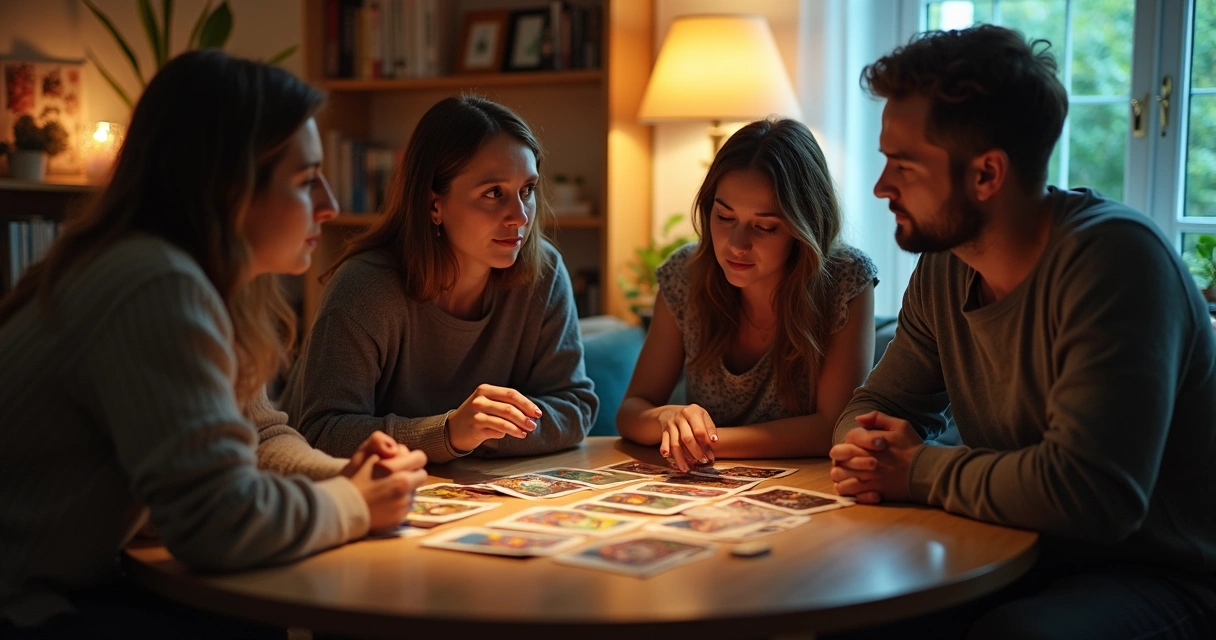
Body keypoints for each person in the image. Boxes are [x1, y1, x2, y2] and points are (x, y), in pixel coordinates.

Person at [0, 49, 429, 637]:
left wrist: (343, 477)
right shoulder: (154, 284)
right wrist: (354, 505)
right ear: (229, 190)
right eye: (306, 181)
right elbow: (216, 522)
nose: (329, 205)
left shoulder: (184, 276)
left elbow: (256, 436)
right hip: (25, 604)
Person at [828, 25, 1216, 639]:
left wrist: (916, 470)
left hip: (1161, 572)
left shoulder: (1115, 262)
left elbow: (1093, 494)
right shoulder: (946, 264)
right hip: (1016, 547)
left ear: (986, 175)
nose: (881, 187)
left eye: (903, 165)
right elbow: (876, 404)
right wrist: (869, 446)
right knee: (850, 609)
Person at [280, 95, 596, 463]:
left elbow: (574, 408)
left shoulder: (544, 270)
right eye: (494, 193)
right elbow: (322, 432)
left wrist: (480, 432)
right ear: (434, 205)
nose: (520, 216)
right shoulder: (365, 288)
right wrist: (449, 433)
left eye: (526, 191)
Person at [617, 118, 877, 471]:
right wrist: (666, 418)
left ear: (804, 228)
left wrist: (703, 442)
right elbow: (632, 409)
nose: (737, 245)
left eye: (765, 226)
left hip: (810, 484)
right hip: (711, 493)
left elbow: (833, 426)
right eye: (724, 217)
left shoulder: (845, 279)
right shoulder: (685, 275)